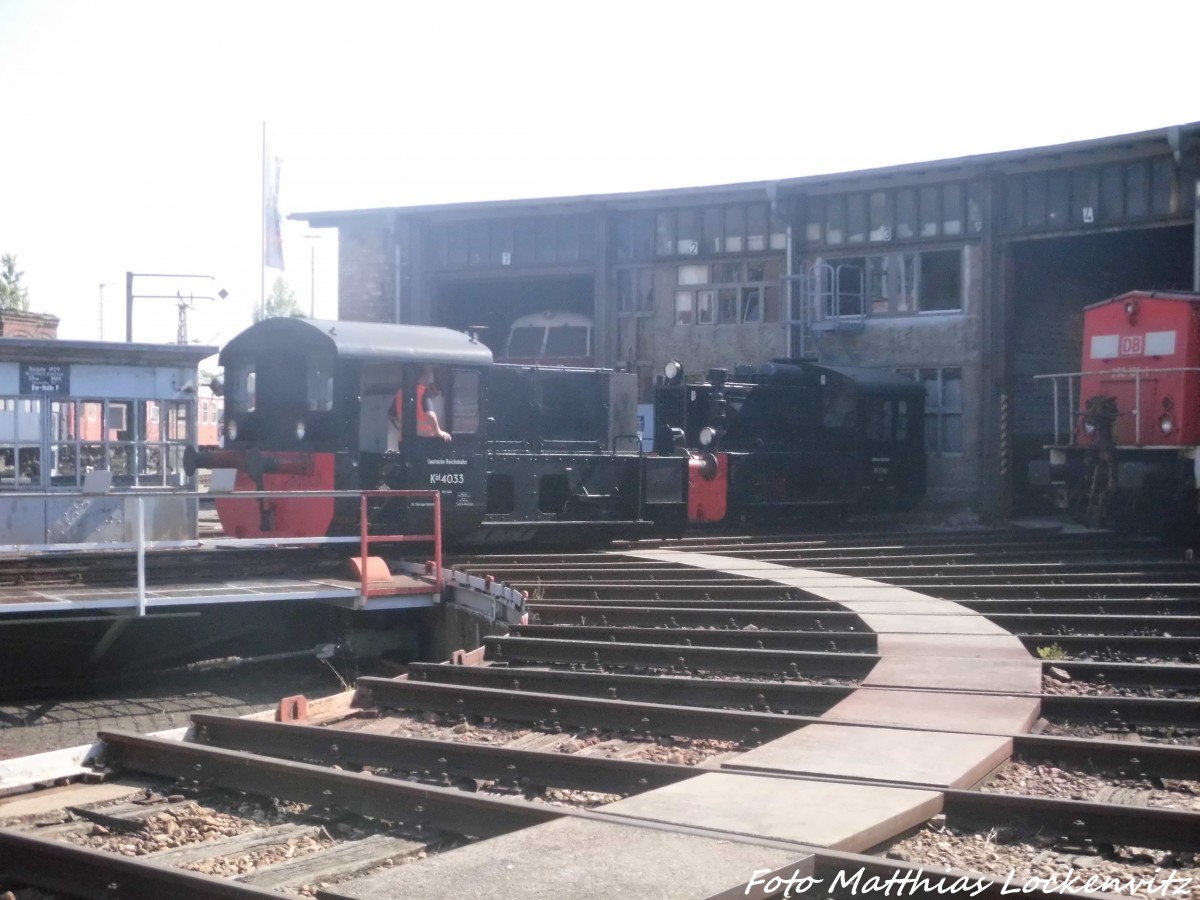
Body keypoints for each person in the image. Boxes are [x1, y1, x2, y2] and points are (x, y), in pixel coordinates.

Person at [416, 366, 452, 442]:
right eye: (425, 377)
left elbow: (392, 416)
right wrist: (438, 431)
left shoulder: (400, 392)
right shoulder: (422, 391)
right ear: (421, 377)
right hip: (424, 439)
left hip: (404, 440)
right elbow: (429, 414)